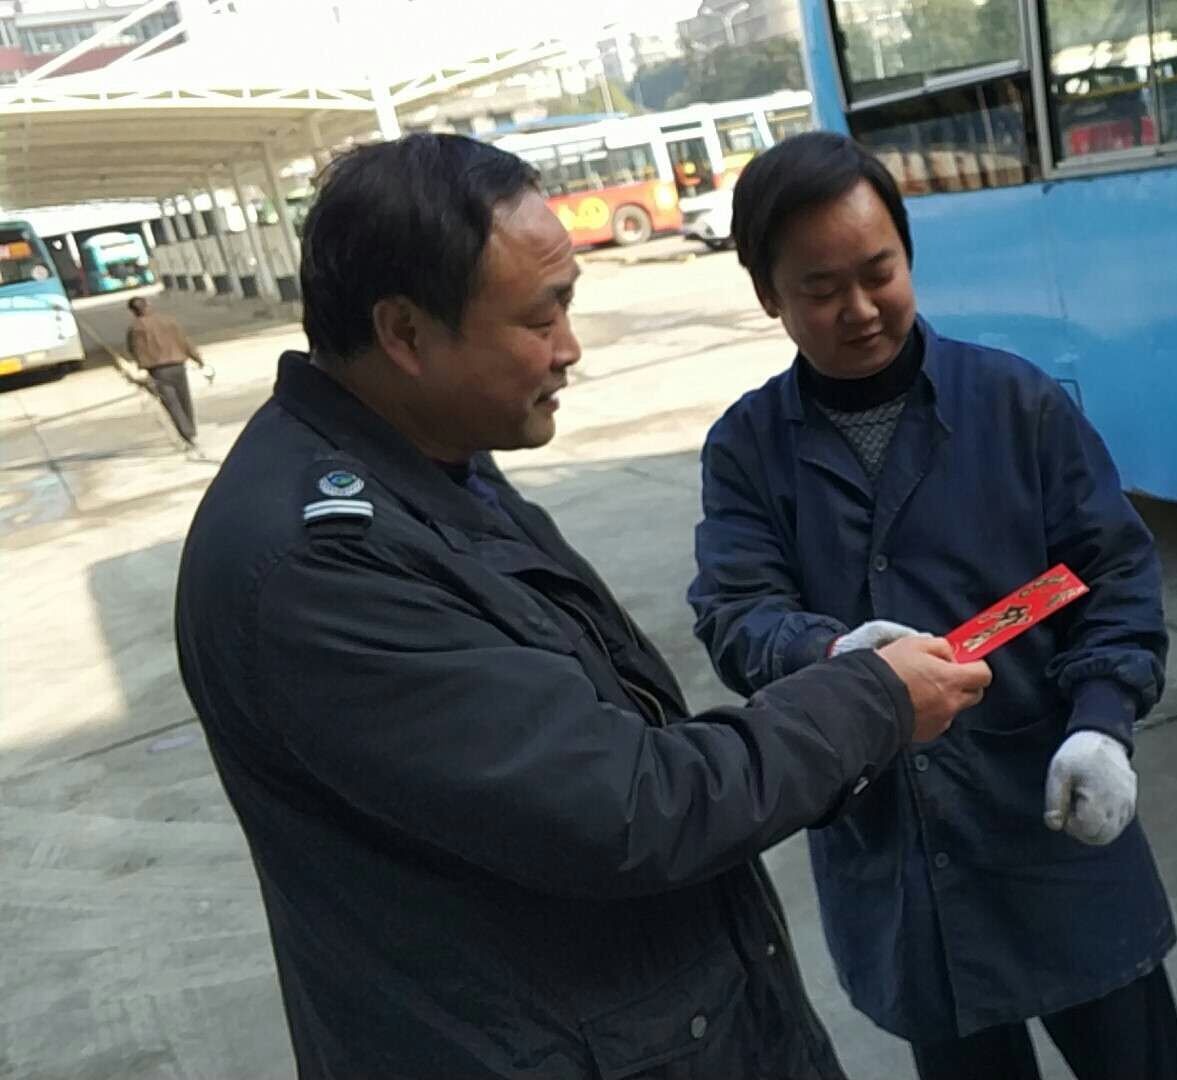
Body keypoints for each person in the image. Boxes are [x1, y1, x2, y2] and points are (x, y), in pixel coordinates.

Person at [173, 133, 992, 1079]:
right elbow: (627, 806)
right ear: (405, 333)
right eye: (540, 317)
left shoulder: (432, 466)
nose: (570, 350)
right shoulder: (320, 570)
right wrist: (871, 700)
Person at [687, 132, 1177, 1080]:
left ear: (908, 256)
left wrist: (1102, 721)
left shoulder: (1014, 403)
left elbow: (1110, 570)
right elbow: (735, 608)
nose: (859, 309)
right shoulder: (748, 450)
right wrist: (833, 656)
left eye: (878, 272)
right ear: (768, 294)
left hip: (1048, 818)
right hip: (901, 853)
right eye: (820, 288)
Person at [124, 295, 206, 444]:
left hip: (158, 371)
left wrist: (141, 365)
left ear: (133, 311)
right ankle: (191, 429)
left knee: (172, 403)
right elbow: (184, 341)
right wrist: (198, 359)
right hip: (178, 365)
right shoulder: (169, 320)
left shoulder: (135, 328)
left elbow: (133, 349)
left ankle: (187, 434)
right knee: (184, 399)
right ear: (148, 305)